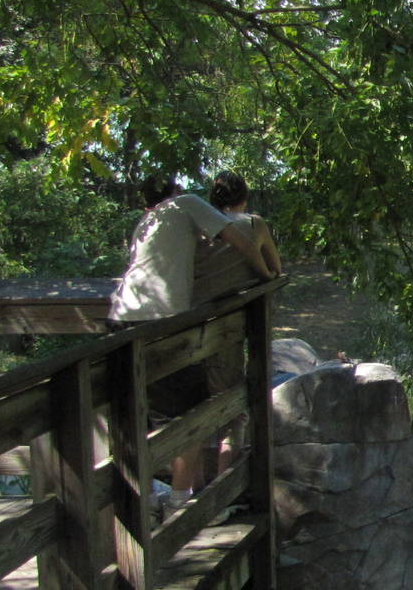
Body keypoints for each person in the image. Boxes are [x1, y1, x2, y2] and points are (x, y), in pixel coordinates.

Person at [108, 175, 278, 514]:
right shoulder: (186, 204)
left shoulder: (147, 221)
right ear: (178, 191)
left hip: (122, 316)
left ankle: (156, 498)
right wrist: (267, 275)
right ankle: (181, 505)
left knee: (148, 415)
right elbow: (240, 241)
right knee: (190, 415)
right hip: (162, 320)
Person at [193, 170, 282, 475]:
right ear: (244, 197)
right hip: (224, 328)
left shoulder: (197, 229)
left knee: (193, 410)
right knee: (232, 410)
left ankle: (189, 491)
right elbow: (275, 269)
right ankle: (223, 491)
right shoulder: (254, 224)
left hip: (183, 325)